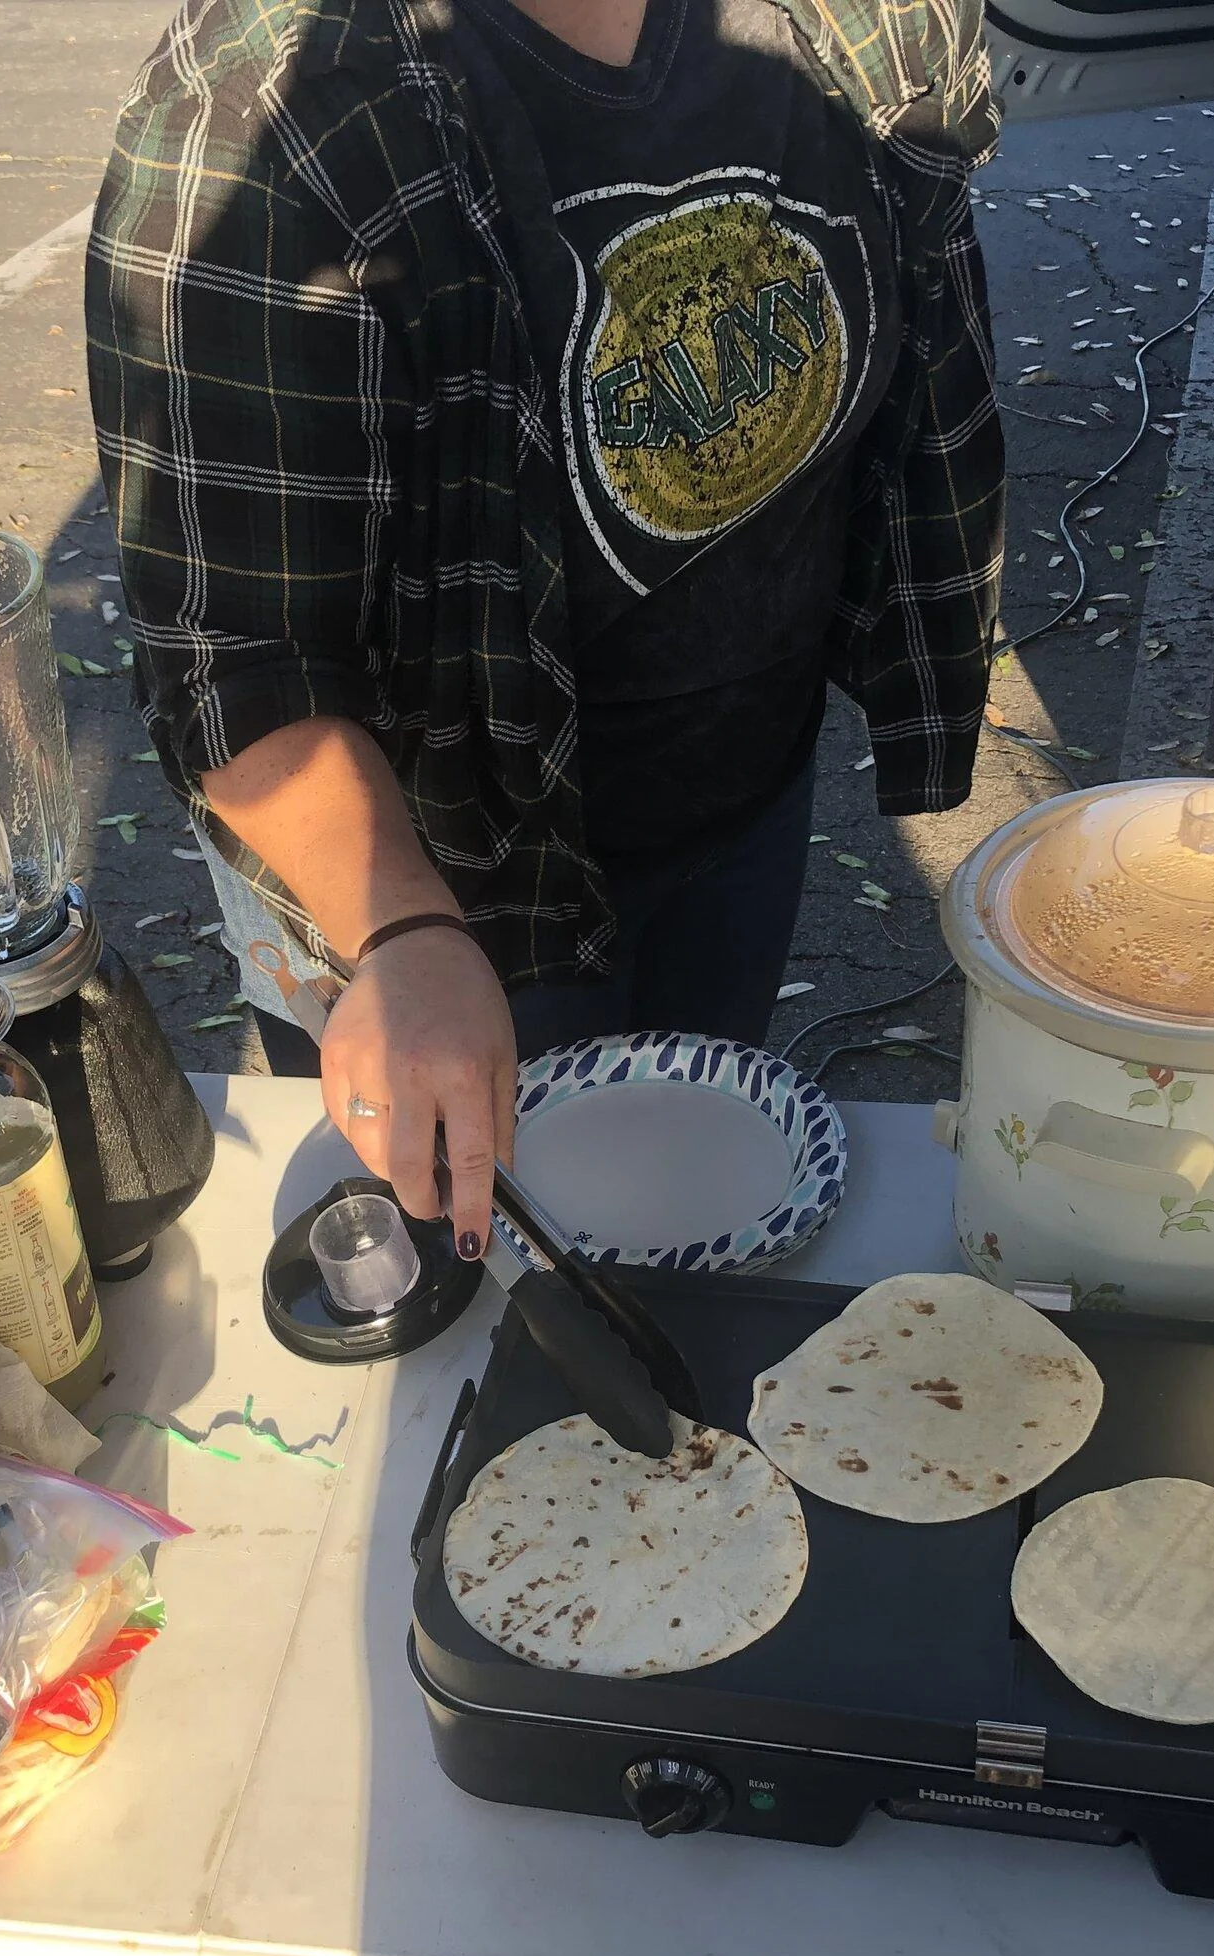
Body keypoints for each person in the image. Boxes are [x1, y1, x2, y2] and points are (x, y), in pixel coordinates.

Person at [87, 0, 1002, 1255]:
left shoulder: (858, 18)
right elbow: (231, 654)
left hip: (747, 797)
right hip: (454, 881)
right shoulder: (279, 108)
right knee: (496, 1303)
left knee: (687, 1226)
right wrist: (401, 932)